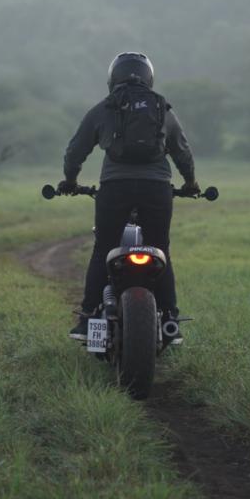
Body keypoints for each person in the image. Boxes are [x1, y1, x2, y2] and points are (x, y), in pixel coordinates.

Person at [58, 52, 197, 342]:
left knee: (103, 250)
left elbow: (75, 151)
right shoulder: (162, 109)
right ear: (149, 77)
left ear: (113, 78)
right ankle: (170, 321)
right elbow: (182, 152)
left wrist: (70, 180)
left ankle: (86, 320)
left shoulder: (104, 109)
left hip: (114, 187)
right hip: (157, 188)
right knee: (161, 249)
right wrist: (191, 183)